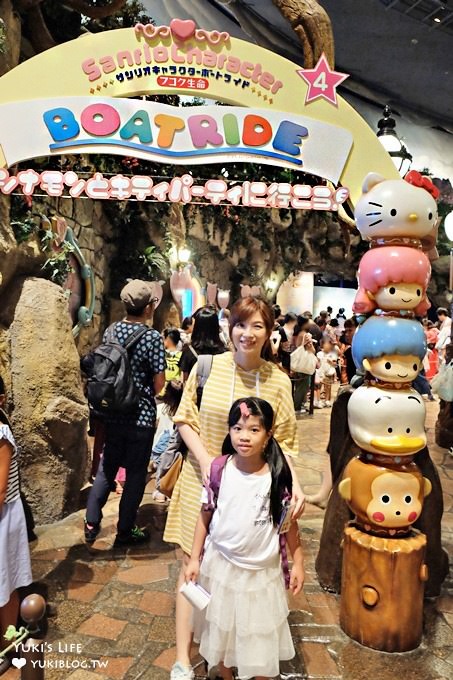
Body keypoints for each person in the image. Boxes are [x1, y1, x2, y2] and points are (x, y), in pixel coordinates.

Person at [164, 296, 304, 680]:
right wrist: (211, 462)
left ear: (268, 332)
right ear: (230, 328)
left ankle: (226, 651)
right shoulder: (208, 367)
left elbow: (286, 441)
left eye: (257, 325)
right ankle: (182, 657)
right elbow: (184, 418)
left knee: (234, 572)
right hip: (200, 479)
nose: (247, 333)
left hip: (250, 487)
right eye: (241, 325)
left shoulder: (277, 380)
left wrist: (297, 485)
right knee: (191, 571)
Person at [186, 397, 304, 680]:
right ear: (229, 430)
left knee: (259, 635)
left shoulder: (277, 476)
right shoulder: (219, 469)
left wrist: (298, 562)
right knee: (223, 627)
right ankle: (226, 674)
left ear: (268, 435)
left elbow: (288, 525)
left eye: (254, 430)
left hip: (261, 573)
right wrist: (193, 558)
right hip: (221, 566)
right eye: (238, 428)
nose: (244, 436)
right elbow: (205, 516)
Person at [84, 280, 165, 546]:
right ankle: (125, 529)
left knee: (108, 468)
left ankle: (91, 522)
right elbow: (159, 384)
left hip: (113, 413)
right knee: (135, 475)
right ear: (150, 307)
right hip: (140, 416)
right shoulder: (152, 337)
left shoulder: (111, 331)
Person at [0, 377, 33, 675]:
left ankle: (8, 643)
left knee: (5, 581)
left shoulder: (1, 433)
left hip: (4, 516)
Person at [151, 380, 184, 501]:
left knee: (161, 468)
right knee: (172, 470)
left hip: (160, 444)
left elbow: (155, 424)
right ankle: (169, 490)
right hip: (174, 447)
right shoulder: (182, 411)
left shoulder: (161, 408)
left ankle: (160, 491)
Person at [179, 305, 225, 383]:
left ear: (198, 327)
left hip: (196, 394)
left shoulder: (189, 351)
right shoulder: (224, 352)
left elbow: (185, 381)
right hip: (217, 393)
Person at [292, 316, 316, 414]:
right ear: (305, 324)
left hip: (298, 364)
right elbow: (311, 349)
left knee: (299, 387)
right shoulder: (305, 334)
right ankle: (297, 407)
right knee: (302, 387)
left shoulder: (297, 333)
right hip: (304, 364)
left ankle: (298, 406)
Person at [316, 340, 338, 407]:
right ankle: (318, 400)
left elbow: (335, 364)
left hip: (329, 372)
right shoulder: (319, 354)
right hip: (320, 372)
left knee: (328, 387)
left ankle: (327, 400)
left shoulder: (333, 354)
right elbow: (317, 362)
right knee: (318, 387)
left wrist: (331, 362)